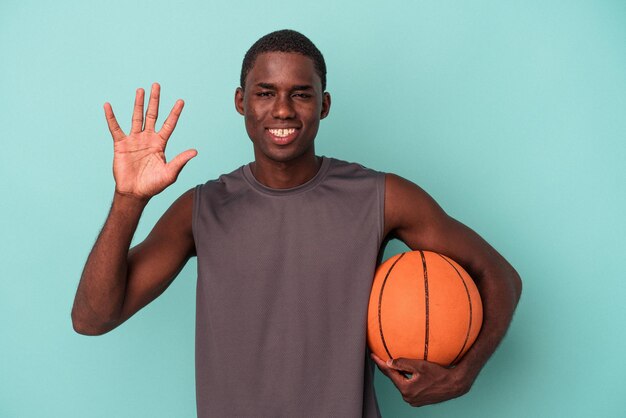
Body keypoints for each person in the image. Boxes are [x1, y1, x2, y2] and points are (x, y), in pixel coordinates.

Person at [72, 30, 522, 417]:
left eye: (300, 93)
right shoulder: (201, 208)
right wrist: (128, 200)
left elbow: (499, 276)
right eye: (265, 93)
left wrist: (463, 375)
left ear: (323, 105)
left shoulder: (382, 197)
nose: (283, 110)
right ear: (240, 101)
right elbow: (92, 319)